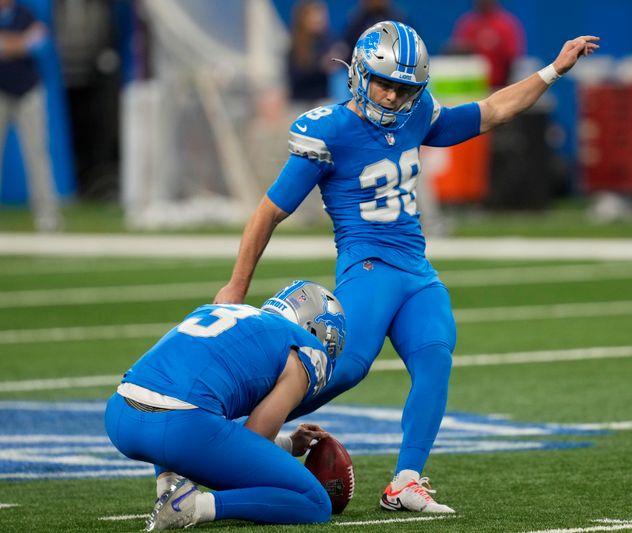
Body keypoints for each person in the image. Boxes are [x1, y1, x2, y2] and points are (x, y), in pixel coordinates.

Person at [215, 21, 598, 513]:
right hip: (368, 265)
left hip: (415, 269)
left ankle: (406, 481)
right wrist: (235, 285)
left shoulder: (418, 116)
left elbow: (495, 109)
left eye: (404, 88)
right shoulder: (330, 130)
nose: (394, 97)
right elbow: (269, 211)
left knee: (436, 356)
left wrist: (553, 70)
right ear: (358, 73)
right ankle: (231, 431)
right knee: (345, 368)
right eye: (385, 83)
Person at [105, 280, 346, 530]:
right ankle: (191, 506)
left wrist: (288, 444)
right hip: (178, 429)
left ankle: (169, 485)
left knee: (184, 395)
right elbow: (255, 437)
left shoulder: (223, 312)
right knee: (315, 502)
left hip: (120, 416)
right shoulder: (303, 350)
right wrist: (282, 446)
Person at [0, 0, 62, 231]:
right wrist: (21, 42)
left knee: (37, 154)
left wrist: (10, 44)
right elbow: (27, 43)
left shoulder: (26, 14)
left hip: (28, 91)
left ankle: (47, 215)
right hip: (2, 91)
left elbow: (40, 44)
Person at [449, 0, 526, 89]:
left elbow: (512, 60)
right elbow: (458, 57)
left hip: (499, 86)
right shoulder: (468, 24)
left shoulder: (506, 25)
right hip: (472, 87)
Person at [287, 0, 344, 104]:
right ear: (303, 19)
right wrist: (320, 66)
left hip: (323, 100)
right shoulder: (295, 44)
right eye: (315, 15)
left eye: (321, 14)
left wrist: (339, 55)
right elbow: (295, 77)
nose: (319, 18)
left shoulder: (328, 39)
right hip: (301, 102)